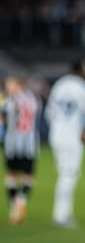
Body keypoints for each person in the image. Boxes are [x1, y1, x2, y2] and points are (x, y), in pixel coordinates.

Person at [45, 58, 85, 228]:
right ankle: (62, 215)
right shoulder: (83, 88)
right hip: (72, 137)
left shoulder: (59, 84)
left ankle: (62, 213)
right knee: (69, 175)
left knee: (64, 175)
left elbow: (49, 113)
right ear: (82, 70)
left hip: (56, 135)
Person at [1, 74, 41, 225]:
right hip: (29, 142)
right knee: (28, 176)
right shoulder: (34, 99)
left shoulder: (10, 100)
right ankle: (21, 201)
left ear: (18, 85)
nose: (7, 87)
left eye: (10, 84)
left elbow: (4, 118)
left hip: (13, 142)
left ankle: (14, 207)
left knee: (11, 175)